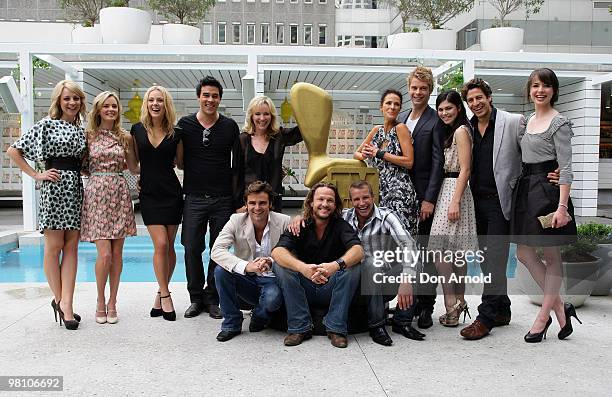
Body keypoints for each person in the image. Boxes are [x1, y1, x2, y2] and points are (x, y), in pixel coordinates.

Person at [7, 80, 87, 330]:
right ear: (58, 101)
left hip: (74, 188)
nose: (72, 103)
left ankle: (67, 303)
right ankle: (62, 302)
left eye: (76, 98)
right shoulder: (46, 125)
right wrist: (36, 174)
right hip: (54, 189)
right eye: (67, 99)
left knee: (72, 247)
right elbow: (13, 150)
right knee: (54, 246)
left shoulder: (80, 129)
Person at [511, 68, 579, 342]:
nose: (540, 90)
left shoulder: (559, 123)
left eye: (546, 86)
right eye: (536, 85)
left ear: (554, 90)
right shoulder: (526, 122)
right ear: (529, 91)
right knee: (523, 254)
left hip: (550, 194)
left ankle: (543, 317)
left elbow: (567, 168)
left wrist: (562, 207)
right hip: (527, 191)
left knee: (552, 257)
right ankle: (561, 308)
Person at [459, 78, 525, 340]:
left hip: (501, 201)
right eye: (471, 100)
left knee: (496, 257)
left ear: (489, 97)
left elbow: (531, 153)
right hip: (477, 202)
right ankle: (503, 309)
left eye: (479, 98)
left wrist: (551, 172)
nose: (476, 103)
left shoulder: (512, 121)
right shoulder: (468, 128)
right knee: (488, 260)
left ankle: (484, 317)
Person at [178, 76, 244, 319]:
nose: (210, 100)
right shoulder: (184, 125)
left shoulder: (229, 127)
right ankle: (195, 298)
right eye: (206, 95)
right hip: (194, 197)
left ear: (220, 99)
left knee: (220, 249)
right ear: (198, 97)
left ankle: (213, 296)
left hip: (222, 199)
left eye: (215, 96)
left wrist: (238, 201)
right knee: (191, 247)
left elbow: (237, 165)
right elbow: (176, 158)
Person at [272, 182, 364, 348]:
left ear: (335, 205)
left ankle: (336, 328)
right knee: (280, 266)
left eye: (330, 200)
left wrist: (334, 266)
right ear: (311, 203)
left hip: (331, 286)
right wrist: (304, 269)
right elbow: (277, 252)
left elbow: (358, 251)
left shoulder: (341, 225)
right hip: (304, 286)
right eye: (320, 199)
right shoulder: (298, 225)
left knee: (353, 266)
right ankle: (300, 327)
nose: (325, 204)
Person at [342, 180, 424, 346]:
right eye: (356, 199)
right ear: (351, 201)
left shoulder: (386, 216)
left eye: (366, 197)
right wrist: (299, 217)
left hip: (381, 281)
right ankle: (377, 326)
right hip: (354, 284)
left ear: (373, 197)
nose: (362, 203)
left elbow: (408, 244)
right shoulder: (344, 217)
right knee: (371, 263)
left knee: (415, 261)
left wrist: (406, 278)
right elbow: (316, 217)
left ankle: (402, 322)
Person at [81, 91, 138, 325]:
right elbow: (83, 166)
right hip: (96, 194)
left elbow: (134, 167)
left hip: (119, 192)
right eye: (106, 106)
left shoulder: (125, 137)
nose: (111, 110)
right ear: (98, 109)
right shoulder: (89, 136)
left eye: (114, 106)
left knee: (116, 254)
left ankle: (113, 301)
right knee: (104, 254)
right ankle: (99, 299)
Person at [211, 181, 289, 342]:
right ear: (246, 204)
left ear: (270, 204)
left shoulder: (284, 221)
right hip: (246, 278)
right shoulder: (236, 220)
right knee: (220, 270)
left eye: (262, 203)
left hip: (273, 280)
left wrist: (271, 261)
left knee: (272, 299)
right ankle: (231, 323)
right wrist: (247, 266)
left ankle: (259, 317)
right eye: (252, 203)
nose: (257, 208)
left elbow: (294, 252)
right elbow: (217, 250)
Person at [131, 85, 183, 321]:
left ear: (166, 104)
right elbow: (133, 166)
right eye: (151, 100)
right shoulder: (136, 130)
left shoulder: (176, 132)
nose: (155, 104)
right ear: (146, 104)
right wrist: (141, 178)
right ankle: (166, 295)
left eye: (159, 100)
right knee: (160, 245)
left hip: (171, 193)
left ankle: (159, 294)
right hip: (149, 194)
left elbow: (180, 164)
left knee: (170, 246)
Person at [397, 66, 444, 329]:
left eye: (423, 89)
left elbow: (438, 162)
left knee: (426, 253)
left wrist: (429, 199)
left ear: (429, 91)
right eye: (414, 87)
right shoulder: (402, 117)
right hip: (402, 197)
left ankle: (426, 306)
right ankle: (409, 302)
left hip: (423, 196)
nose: (417, 92)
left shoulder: (435, 120)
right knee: (408, 252)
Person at [428, 90, 478, 327]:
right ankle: (459, 302)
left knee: (439, 250)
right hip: (449, 189)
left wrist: (455, 200)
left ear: (459, 108)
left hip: (454, 190)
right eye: (440, 109)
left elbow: (466, 169)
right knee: (456, 253)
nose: (444, 113)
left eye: (449, 108)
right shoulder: (454, 130)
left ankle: (451, 303)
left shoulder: (460, 131)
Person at [354, 89, 418, 236]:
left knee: (401, 237)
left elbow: (409, 161)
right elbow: (356, 154)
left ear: (400, 109)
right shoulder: (377, 130)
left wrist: (379, 153)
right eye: (388, 103)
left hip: (399, 192)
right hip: (380, 190)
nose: (392, 107)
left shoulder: (401, 128)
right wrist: (365, 154)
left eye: (397, 104)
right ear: (381, 107)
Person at [238, 96, 302, 212]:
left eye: (266, 114)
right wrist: (237, 205)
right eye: (257, 114)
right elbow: (236, 173)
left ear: (271, 116)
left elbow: (303, 131)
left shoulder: (279, 137)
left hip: (273, 202)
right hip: (249, 204)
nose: (262, 118)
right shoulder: (242, 139)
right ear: (251, 116)